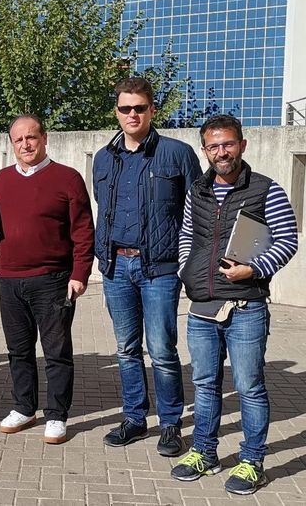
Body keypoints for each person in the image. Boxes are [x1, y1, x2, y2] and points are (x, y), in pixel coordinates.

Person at [170, 114, 298, 495]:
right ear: (205, 150)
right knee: (205, 384)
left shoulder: (266, 190)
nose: (221, 152)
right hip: (202, 305)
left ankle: (252, 461)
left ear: (242, 145)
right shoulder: (199, 189)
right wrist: (185, 270)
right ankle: (205, 453)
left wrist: (253, 269)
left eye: (227, 144)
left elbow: (287, 241)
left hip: (246, 306)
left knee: (249, 387)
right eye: (213, 146)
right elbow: (188, 234)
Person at [92, 78, 201, 456]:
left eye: (139, 107)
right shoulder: (104, 158)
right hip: (115, 267)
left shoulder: (177, 154)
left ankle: (170, 424)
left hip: (159, 269)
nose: (132, 114)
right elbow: (102, 209)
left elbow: (197, 212)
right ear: (117, 112)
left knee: (162, 349)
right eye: (125, 108)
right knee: (126, 348)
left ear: (152, 110)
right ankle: (135, 419)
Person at [0, 115, 94, 445]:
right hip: (9, 279)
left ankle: (57, 415)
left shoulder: (68, 179)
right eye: (19, 140)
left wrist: (80, 273)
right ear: (11, 144)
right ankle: (24, 407)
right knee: (18, 350)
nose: (26, 144)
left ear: (44, 138)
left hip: (53, 279)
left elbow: (83, 231)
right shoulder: (1, 180)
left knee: (56, 351)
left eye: (31, 137)